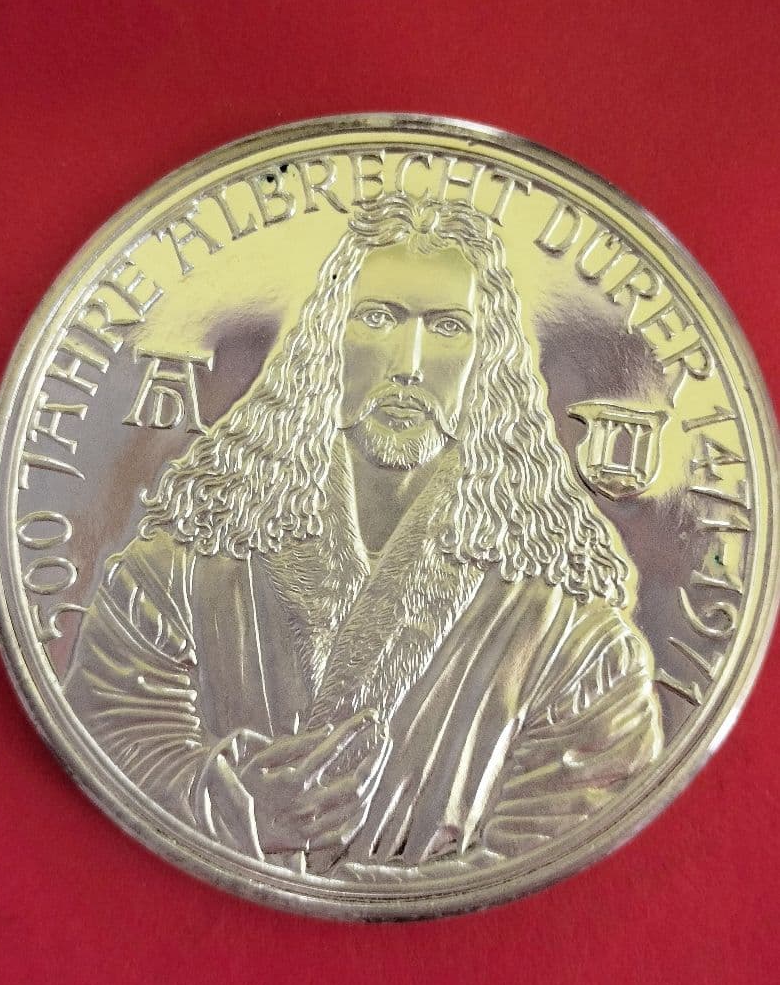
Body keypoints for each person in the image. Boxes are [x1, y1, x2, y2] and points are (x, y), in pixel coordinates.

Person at [64, 193, 662, 877]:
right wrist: (234, 807)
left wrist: (362, 894)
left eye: (448, 327)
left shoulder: (572, 632)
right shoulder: (177, 569)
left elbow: (554, 842)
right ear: (326, 343)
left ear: (488, 366)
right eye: (377, 318)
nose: (408, 363)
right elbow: (111, 741)